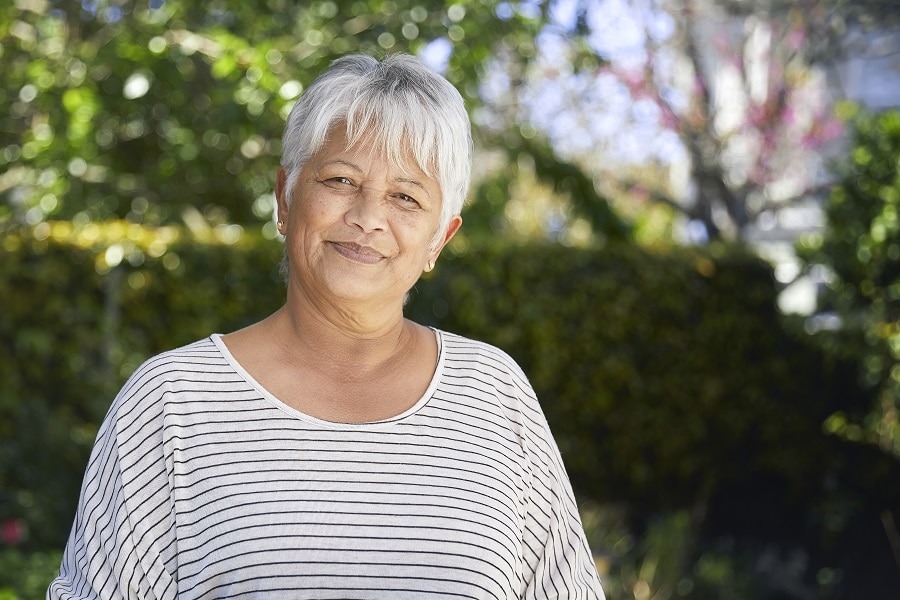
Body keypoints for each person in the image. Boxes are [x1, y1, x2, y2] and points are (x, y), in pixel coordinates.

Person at [48, 53, 605, 600]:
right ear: (285, 197)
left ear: (441, 237)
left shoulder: (493, 393)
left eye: (406, 197)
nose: (368, 217)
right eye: (341, 180)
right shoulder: (170, 403)